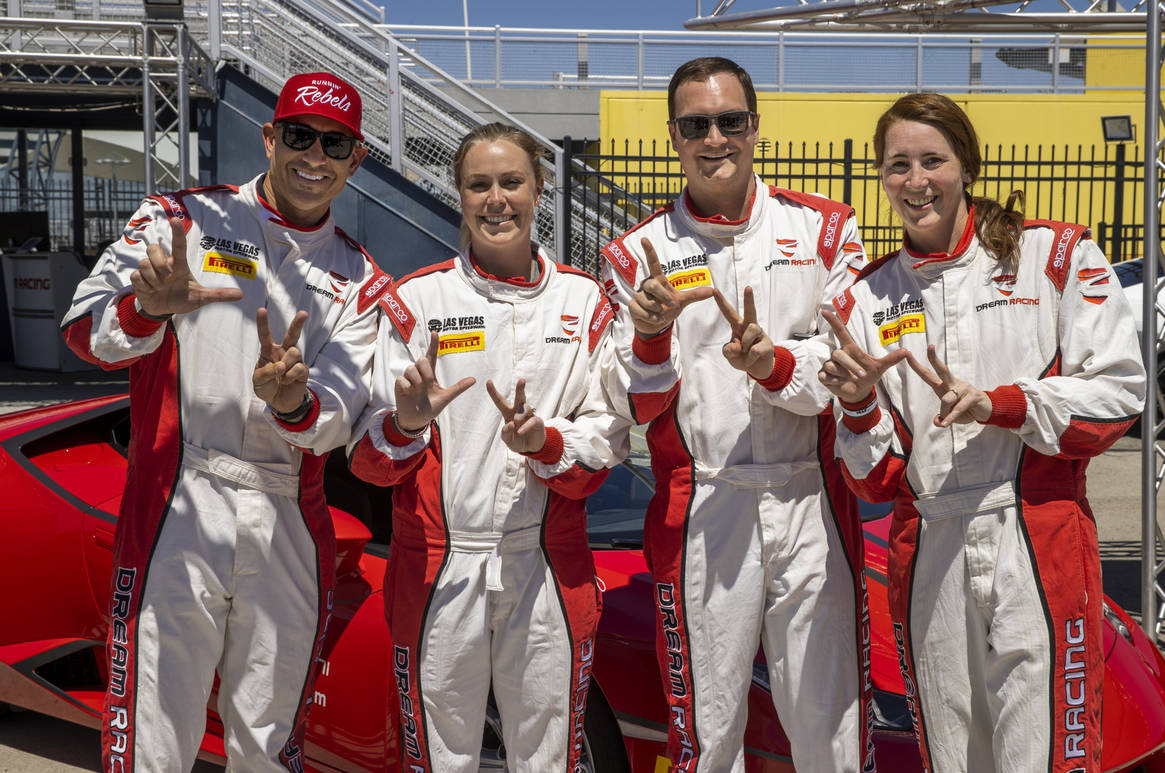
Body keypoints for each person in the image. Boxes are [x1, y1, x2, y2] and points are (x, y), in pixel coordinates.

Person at [61, 72, 389, 772]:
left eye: (335, 144)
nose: (314, 156)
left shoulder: (364, 279)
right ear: (270, 137)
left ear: (356, 159)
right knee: (153, 732)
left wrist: (292, 400)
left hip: (287, 515)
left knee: (268, 744)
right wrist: (145, 309)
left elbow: (342, 415)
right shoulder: (180, 218)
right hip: (179, 502)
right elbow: (83, 331)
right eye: (299, 135)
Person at [820, 92, 1146, 773]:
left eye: (932, 161)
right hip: (928, 542)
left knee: (1046, 750)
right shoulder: (862, 298)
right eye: (898, 165)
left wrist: (1001, 403)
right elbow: (874, 479)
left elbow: (1119, 395)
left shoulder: (1054, 255)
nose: (916, 182)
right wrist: (855, 407)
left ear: (965, 163)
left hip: (1035, 532)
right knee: (954, 753)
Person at [598, 56, 873, 772]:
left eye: (730, 121)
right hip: (703, 501)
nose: (715, 137)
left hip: (810, 496)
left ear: (756, 126)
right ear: (672, 135)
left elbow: (851, 362)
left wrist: (773, 363)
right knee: (707, 728)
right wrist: (653, 334)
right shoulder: (635, 255)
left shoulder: (825, 228)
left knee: (831, 723)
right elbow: (625, 403)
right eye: (697, 124)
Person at [347, 122, 628, 771]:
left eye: (511, 181)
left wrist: (544, 441)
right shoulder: (416, 301)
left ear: (539, 189)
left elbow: (608, 434)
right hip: (442, 566)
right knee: (440, 757)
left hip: (547, 564)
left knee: (548, 755)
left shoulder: (583, 301)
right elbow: (365, 456)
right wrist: (407, 422)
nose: (496, 198)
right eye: (479, 184)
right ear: (459, 193)